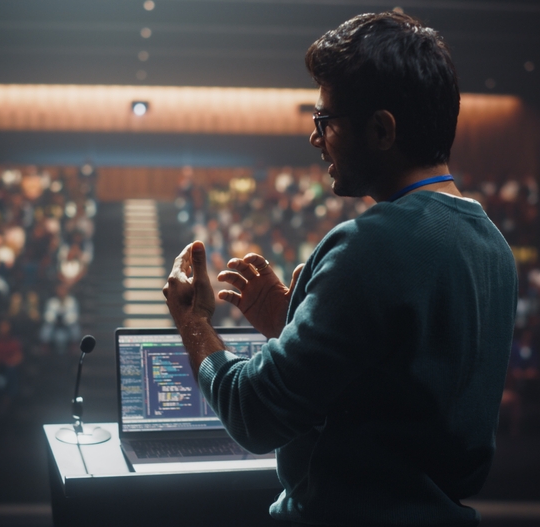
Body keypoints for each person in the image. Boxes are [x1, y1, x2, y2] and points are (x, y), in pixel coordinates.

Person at [163, 12, 517, 526]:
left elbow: (254, 414)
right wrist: (291, 327)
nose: (315, 139)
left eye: (325, 121)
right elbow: (397, 397)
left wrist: (193, 322)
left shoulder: (369, 244)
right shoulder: (493, 247)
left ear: (381, 129)